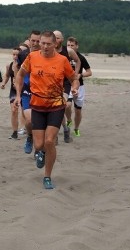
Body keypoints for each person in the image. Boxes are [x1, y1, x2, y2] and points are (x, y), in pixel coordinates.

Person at [15, 31, 79, 190]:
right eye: (42, 43)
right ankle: (40, 151)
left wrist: (75, 89)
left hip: (56, 106)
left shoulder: (62, 60)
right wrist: (17, 94)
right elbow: (20, 74)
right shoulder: (32, 57)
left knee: (49, 141)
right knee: (39, 144)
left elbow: (73, 79)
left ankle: (47, 176)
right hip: (37, 105)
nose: (44, 46)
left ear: (55, 44)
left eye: (48, 43)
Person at [53, 29, 81, 143]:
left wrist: (75, 75)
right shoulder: (49, 50)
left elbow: (78, 61)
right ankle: (64, 129)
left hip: (65, 83)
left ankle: (58, 133)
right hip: (52, 83)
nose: (56, 40)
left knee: (60, 106)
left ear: (62, 39)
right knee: (55, 108)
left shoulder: (68, 51)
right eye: (54, 37)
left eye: (58, 38)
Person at [17, 30, 41, 154]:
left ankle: (38, 148)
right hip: (26, 92)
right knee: (30, 120)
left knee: (40, 122)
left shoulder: (45, 55)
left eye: (38, 41)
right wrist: (17, 94)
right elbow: (18, 73)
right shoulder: (23, 55)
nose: (35, 43)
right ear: (29, 40)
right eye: (33, 40)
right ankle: (30, 137)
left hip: (42, 93)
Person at [66, 36, 93, 136]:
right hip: (67, 85)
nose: (70, 47)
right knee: (67, 105)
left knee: (78, 110)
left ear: (77, 46)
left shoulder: (81, 58)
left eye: (72, 45)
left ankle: (76, 128)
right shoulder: (64, 56)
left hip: (79, 86)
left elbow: (89, 72)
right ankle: (68, 119)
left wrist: (80, 75)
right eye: (68, 45)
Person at [0, 47, 22, 140]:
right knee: (14, 110)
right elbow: (7, 75)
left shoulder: (23, 65)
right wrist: (4, 83)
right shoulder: (9, 65)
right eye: (14, 54)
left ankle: (28, 130)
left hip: (23, 90)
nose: (15, 56)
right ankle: (14, 132)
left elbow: (19, 78)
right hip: (13, 91)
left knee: (25, 112)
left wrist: (17, 68)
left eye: (17, 55)